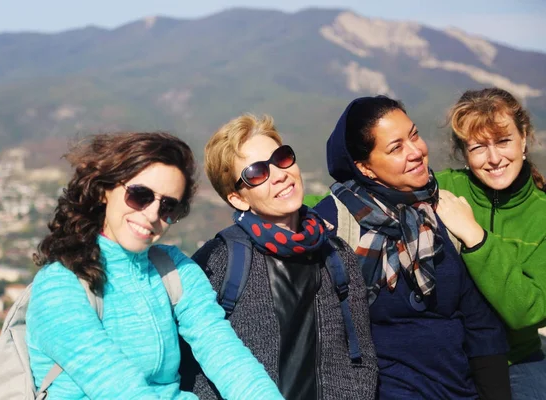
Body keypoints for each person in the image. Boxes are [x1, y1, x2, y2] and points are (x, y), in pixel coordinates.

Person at [26, 132, 284, 399]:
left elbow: (223, 352)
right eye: (140, 196)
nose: (151, 215)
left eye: (167, 206)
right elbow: (118, 387)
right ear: (105, 190)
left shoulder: (173, 269)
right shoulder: (60, 285)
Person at [313, 95, 511, 399]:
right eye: (396, 148)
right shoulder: (337, 224)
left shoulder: (442, 210)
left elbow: (480, 325)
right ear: (365, 167)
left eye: (414, 135)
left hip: (460, 390)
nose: (416, 151)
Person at [180, 114, 378, 400]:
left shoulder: (336, 253)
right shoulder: (220, 261)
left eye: (282, 158)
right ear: (238, 198)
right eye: (257, 173)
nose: (280, 174)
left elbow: (361, 356)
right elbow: (196, 367)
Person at [435, 87, 546, 399]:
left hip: (518, 360)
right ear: (463, 152)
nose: (494, 158)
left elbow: (529, 311)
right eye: (479, 147)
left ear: (524, 138)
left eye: (503, 141)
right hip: (450, 360)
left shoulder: (542, 213)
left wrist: (475, 236)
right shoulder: (443, 187)